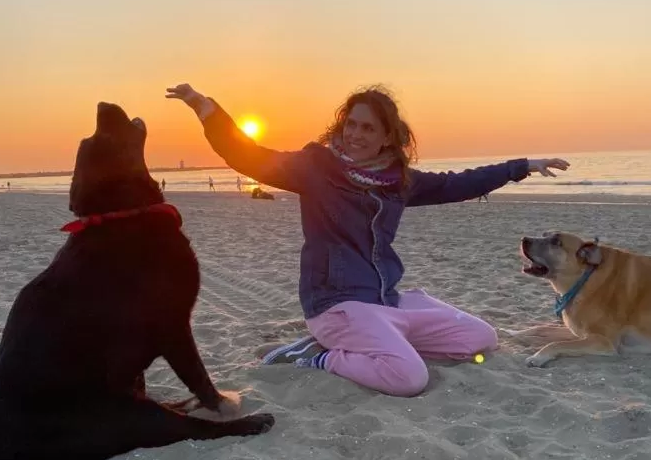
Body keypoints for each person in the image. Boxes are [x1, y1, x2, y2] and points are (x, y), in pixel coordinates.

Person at [167, 83, 569, 396]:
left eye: (368, 128)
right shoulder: (314, 168)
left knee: (481, 338)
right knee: (410, 377)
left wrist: (522, 166)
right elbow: (247, 155)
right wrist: (207, 109)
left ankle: (380, 342)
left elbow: (458, 183)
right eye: (351, 124)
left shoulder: (399, 182)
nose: (356, 134)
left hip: (386, 300)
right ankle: (322, 356)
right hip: (336, 304)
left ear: (387, 138)